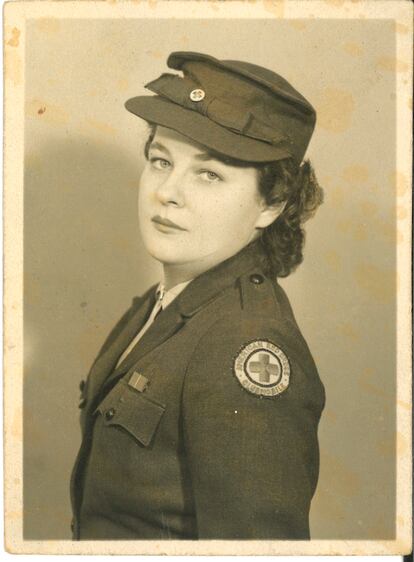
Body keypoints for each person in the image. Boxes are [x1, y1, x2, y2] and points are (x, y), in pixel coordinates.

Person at [70, 51, 325, 540]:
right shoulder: (163, 303)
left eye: (209, 174)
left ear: (272, 204)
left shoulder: (242, 344)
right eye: (161, 161)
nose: (167, 192)